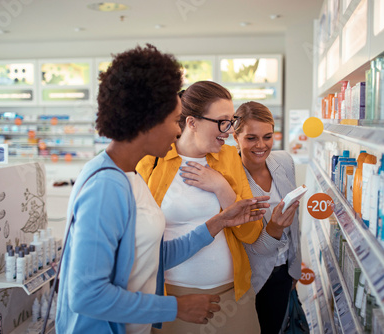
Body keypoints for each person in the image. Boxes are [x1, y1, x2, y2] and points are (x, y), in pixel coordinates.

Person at [55, 45, 269, 334]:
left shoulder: (128, 178)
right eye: (173, 120)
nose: (176, 131)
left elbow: (149, 256)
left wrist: (219, 221)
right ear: (148, 121)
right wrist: (176, 308)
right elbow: (86, 295)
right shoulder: (106, 186)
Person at [136, 81, 263, 333]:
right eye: (222, 121)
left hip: (232, 295)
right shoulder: (151, 162)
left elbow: (251, 233)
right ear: (192, 123)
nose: (228, 130)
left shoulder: (228, 158)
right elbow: (136, 238)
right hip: (172, 297)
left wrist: (221, 188)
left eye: (232, 121)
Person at [233, 101, 304, 334]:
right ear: (236, 137)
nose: (261, 145)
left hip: (283, 272)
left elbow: (295, 226)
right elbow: (243, 241)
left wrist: (294, 269)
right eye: (251, 138)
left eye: (267, 136)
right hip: (249, 278)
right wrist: (273, 227)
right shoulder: (229, 177)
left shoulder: (284, 161)